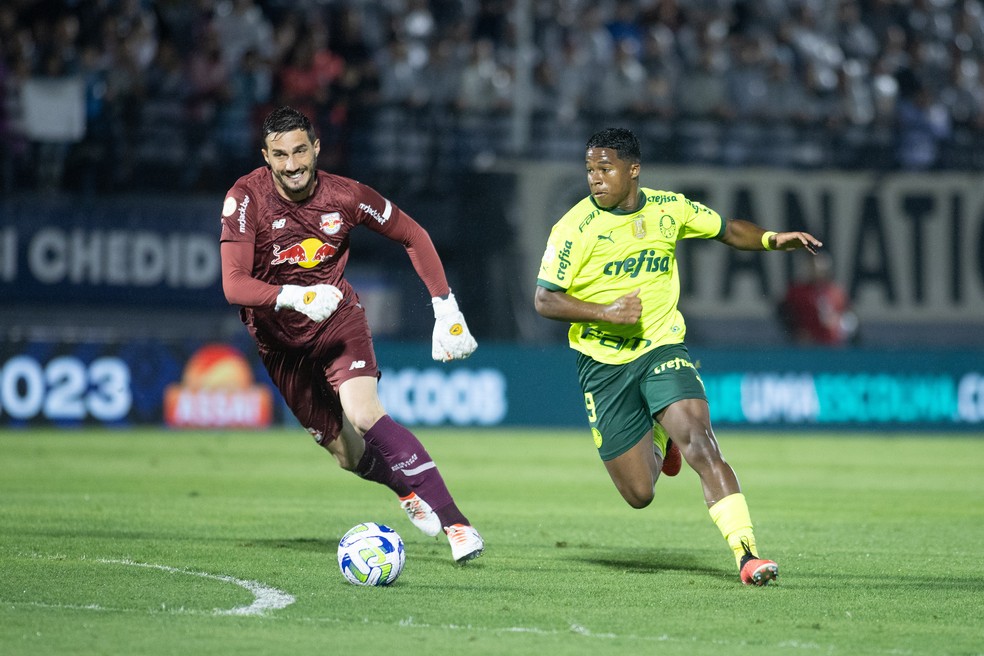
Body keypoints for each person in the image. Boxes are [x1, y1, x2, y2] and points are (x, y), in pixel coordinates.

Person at [534, 127, 823, 585]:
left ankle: (746, 554)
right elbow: (546, 300)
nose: (595, 178)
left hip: (661, 346)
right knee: (639, 493)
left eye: (605, 168)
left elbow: (728, 230)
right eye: (590, 169)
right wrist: (604, 313)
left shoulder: (672, 208)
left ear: (633, 170)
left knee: (702, 444)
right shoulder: (574, 228)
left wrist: (771, 239)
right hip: (602, 365)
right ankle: (656, 435)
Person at [218, 106, 483, 563]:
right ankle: (405, 489)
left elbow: (412, 234)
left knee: (363, 413)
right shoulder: (246, 199)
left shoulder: (347, 196)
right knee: (345, 454)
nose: (292, 164)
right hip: (279, 344)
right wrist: (294, 297)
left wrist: (446, 307)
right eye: (280, 155)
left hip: (338, 322)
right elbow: (233, 283)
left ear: (316, 148)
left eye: (301, 150)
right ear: (266, 157)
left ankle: (458, 525)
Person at [778, 252, 859, 346]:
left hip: (832, 345)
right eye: (812, 268)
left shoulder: (836, 293)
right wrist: (795, 332)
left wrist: (839, 326)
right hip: (806, 345)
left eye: (819, 268)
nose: (816, 271)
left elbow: (851, 318)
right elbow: (784, 314)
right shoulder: (797, 292)